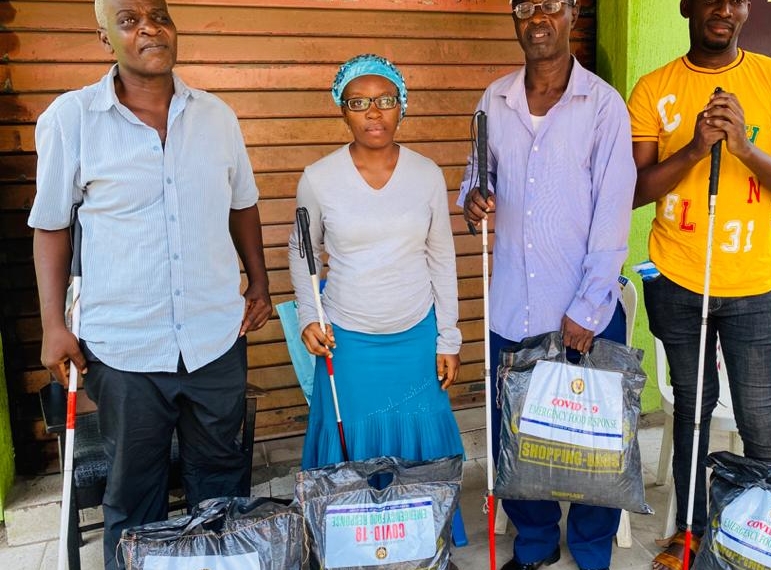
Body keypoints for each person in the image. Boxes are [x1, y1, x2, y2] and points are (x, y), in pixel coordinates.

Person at [29, 1, 271, 567]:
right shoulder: (71, 119)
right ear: (104, 37)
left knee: (222, 484)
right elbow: (50, 227)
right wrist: (52, 324)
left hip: (215, 338)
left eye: (158, 15)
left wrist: (258, 281)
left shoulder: (218, 118)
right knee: (135, 493)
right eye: (129, 18)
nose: (149, 28)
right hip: (124, 347)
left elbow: (243, 205)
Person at [627, 1, 771, 568]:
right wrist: (694, 148)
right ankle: (691, 532)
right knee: (694, 410)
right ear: (687, 5)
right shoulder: (653, 88)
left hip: (751, 286)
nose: (723, 8)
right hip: (679, 279)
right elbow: (635, 190)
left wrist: (744, 149)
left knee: (760, 417)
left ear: (747, 10)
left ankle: (768, 539)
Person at [459, 1, 636, 569]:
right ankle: (533, 547)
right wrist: (473, 200)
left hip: (583, 311)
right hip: (511, 307)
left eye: (551, 3)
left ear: (573, 12)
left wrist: (589, 305)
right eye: (524, 4)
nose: (538, 15)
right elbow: (474, 177)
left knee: (591, 448)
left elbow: (613, 215)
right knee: (519, 438)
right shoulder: (494, 100)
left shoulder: (604, 107)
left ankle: (589, 552)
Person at [288, 54, 464, 472]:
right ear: (342, 111)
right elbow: (302, 251)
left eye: (385, 100)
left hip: (417, 334)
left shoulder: (427, 174)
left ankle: (418, 529)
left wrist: (448, 337)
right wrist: (309, 317)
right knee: (350, 436)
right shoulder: (318, 178)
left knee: (420, 434)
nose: (373, 112)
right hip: (347, 340)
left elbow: (441, 256)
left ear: (402, 105)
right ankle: (355, 530)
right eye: (358, 102)